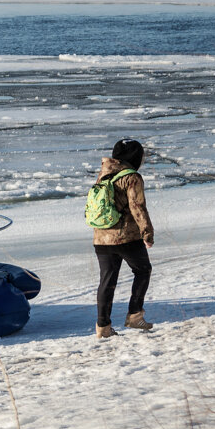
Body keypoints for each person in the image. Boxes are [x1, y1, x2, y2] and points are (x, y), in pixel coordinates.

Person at [92, 138, 155, 339]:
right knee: (143, 270)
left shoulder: (103, 175)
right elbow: (138, 208)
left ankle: (103, 328)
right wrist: (147, 233)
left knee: (107, 281)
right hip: (126, 237)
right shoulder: (132, 177)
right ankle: (135, 315)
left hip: (101, 238)